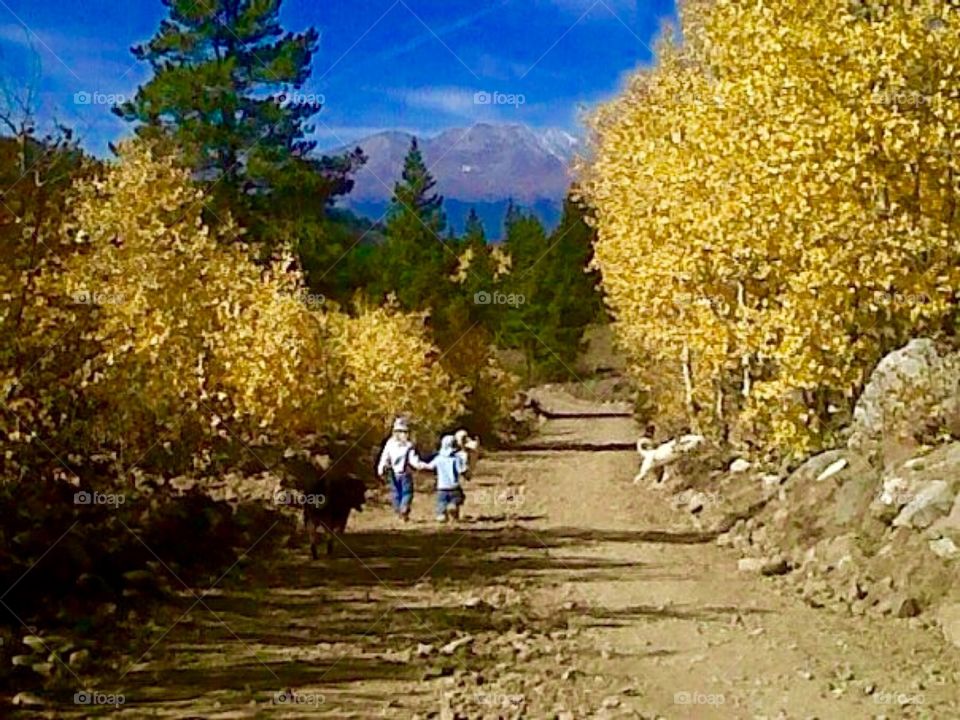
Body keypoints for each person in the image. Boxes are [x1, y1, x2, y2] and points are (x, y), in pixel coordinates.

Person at [377, 417, 421, 521]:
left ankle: (399, 511)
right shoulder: (408, 445)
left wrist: (380, 469)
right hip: (405, 473)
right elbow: (413, 461)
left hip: (392, 473)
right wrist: (421, 465)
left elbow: (384, 457)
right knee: (407, 492)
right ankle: (404, 508)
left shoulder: (390, 443)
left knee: (395, 492)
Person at [422, 434, 467, 523]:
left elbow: (430, 466)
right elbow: (461, 470)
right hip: (454, 486)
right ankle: (453, 509)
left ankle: (441, 515)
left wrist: (420, 464)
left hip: (441, 487)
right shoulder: (456, 458)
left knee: (441, 502)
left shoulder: (438, 458)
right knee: (458, 498)